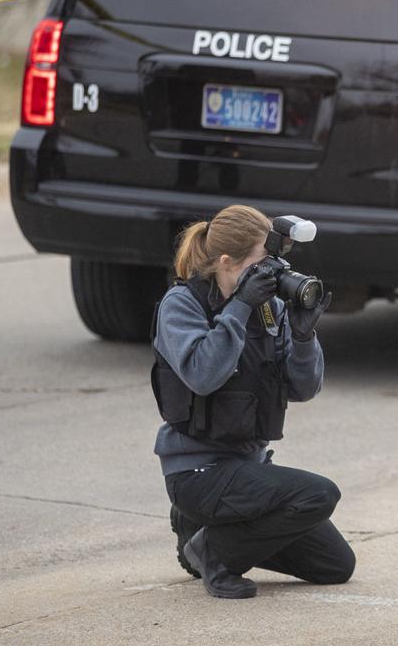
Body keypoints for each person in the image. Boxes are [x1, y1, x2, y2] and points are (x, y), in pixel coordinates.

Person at [151, 204, 354, 599]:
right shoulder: (182, 305)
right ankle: (213, 552)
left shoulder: (268, 307)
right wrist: (239, 307)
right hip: (198, 473)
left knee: (335, 566)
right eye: (262, 265)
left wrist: (302, 337)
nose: (272, 276)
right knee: (318, 493)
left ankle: (204, 537)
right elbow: (202, 376)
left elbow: (303, 389)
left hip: (247, 466)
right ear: (227, 262)